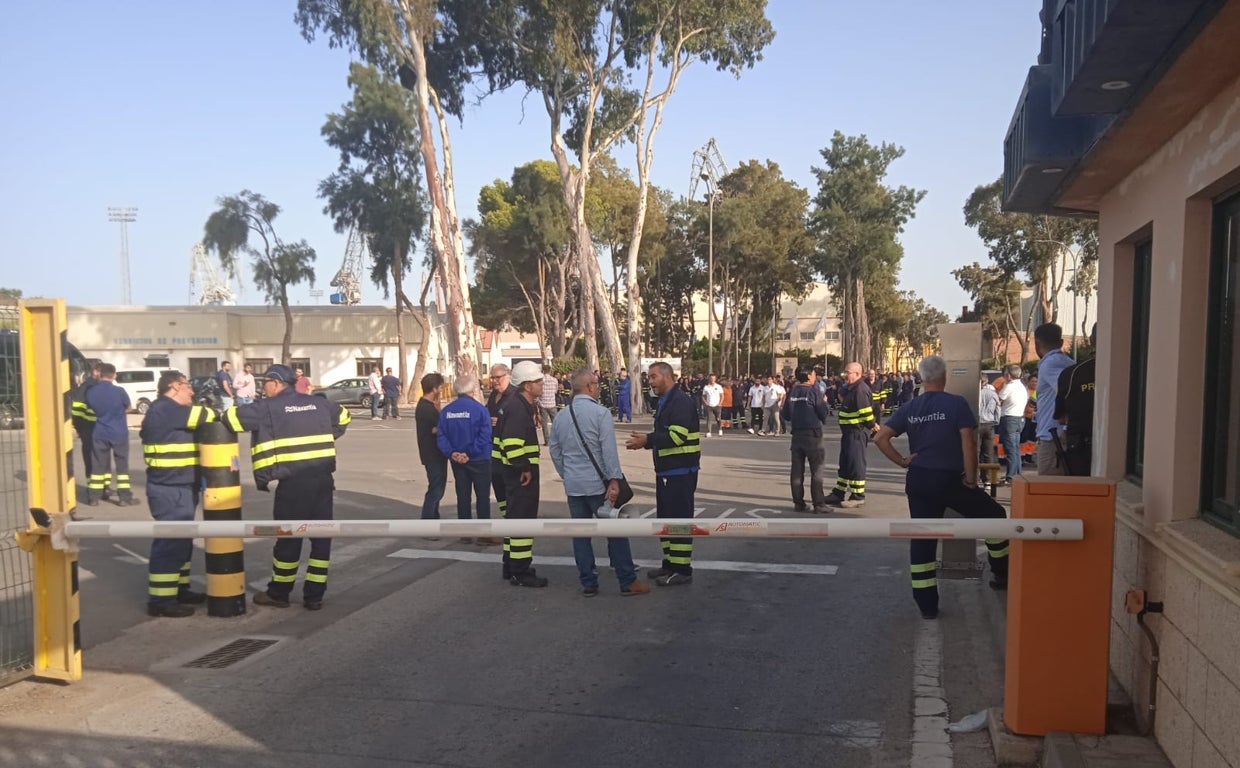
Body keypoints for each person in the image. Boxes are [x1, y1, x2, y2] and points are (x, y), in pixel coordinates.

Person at [873, 355, 1009, 620]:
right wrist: (971, 479)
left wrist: (902, 461)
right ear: (944, 377)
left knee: (923, 538)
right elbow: (968, 443)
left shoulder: (911, 407)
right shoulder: (956, 404)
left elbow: (880, 437)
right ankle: (1002, 572)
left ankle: (927, 606)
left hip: (920, 480)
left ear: (922, 379)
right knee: (995, 518)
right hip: (951, 480)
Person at [223, 364, 350, 610]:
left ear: (275, 382)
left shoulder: (267, 408)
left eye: (264, 383)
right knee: (321, 538)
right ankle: (314, 596)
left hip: (293, 484)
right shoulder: (319, 403)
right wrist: (326, 433)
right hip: (323, 480)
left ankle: (279, 593)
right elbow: (344, 416)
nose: (263, 388)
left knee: (289, 538)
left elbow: (230, 419)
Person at [550, 368, 651, 597]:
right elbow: (608, 452)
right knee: (615, 530)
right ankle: (627, 581)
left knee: (581, 534)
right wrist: (614, 479)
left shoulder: (562, 416)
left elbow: (555, 452)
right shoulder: (600, 413)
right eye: (595, 383)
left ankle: (588, 583)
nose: (597, 387)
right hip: (599, 485)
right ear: (591, 387)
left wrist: (567, 474)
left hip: (574, 486)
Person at [139, 370, 216, 618]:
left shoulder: (168, 410)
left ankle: (179, 589)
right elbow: (207, 415)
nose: (192, 392)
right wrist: (213, 409)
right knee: (170, 543)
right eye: (188, 386)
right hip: (170, 488)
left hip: (181, 485)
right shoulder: (166, 409)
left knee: (182, 541)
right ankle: (161, 601)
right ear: (174, 386)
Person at [626, 361, 700, 586]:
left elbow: (677, 437)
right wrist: (648, 440)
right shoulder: (667, 401)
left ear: (667, 377)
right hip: (668, 471)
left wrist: (647, 440)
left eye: (653, 376)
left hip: (680, 471)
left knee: (678, 520)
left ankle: (682, 569)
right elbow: (666, 434)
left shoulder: (680, 402)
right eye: (649, 377)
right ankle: (669, 564)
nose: (650, 381)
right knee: (666, 519)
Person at [496, 361, 548, 587]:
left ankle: (511, 565)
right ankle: (520, 570)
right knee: (522, 522)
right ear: (527, 386)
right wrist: (524, 468)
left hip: (509, 471)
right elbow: (512, 443)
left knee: (512, 521)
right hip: (518, 474)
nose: (542, 384)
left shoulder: (516, 404)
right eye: (538, 381)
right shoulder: (518, 408)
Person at [436, 375, 497, 544]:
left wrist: (453, 453)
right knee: (482, 497)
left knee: (463, 496)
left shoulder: (447, 411)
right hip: (479, 459)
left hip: (457, 461)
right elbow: (485, 436)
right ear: (472, 390)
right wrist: (469, 453)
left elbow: (441, 436)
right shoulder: (480, 410)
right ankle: (484, 534)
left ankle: (465, 533)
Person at [824, 362, 877, 508]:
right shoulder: (850, 388)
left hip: (857, 432)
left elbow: (866, 413)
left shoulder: (860, 389)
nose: (845, 375)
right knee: (845, 463)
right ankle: (838, 493)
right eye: (845, 372)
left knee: (856, 463)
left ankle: (858, 495)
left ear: (858, 374)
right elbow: (842, 397)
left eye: (848, 372)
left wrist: (873, 426)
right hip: (848, 432)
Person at [84, 363, 136, 506]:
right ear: (114, 376)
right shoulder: (119, 391)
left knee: (98, 464)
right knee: (122, 466)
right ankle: (124, 498)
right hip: (118, 432)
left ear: (100, 374)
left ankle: (94, 497)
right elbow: (129, 408)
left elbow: (90, 408)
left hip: (99, 432)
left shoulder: (91, 392)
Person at [782, 365, 830, 513]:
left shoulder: (793, 391)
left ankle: (798, 502)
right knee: (817, 470)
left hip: (797, 435)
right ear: (809, 375)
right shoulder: (815, 391)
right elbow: (823, 412)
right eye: (814, 373)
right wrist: (825, 402)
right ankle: (819, 504)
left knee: (797, 470)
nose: (815, 376)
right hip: (813, 435)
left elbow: (786, 414)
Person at [1055, 324, 1097, 476]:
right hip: (1118, 447)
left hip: (1079, 446)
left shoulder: (1072, 373)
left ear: (1091, 340)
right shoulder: (1133, 373)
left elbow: (1060, 417)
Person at [1033, 323, 1074, 476]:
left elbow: (1068, 395)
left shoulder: (1050, 364)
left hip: (1053, 438)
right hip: (1056, 436)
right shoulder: (1068, 362)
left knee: (1048, 489)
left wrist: (1065, 428)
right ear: (1061, 342)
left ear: (1036, 344)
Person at [487, 364, 518, 565]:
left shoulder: (514, 397)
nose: (495, 381)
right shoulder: (492, 397)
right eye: (493, 378)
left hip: (511, 462)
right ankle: (508, 554)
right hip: (494, 460)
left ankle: (514, 558)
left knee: (515, 510)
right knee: (504, 507)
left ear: (508, 376)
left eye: (498, 377)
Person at [415, 373, 447, 524]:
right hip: (432, 454)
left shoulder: (428, 406)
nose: (441, 390)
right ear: (434, 388)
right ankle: (428, 523)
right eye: (440, 387)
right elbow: (438, 428)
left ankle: (434, 519)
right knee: (436, 489)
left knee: (437, 488)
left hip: (435, 453)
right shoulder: (426, 409)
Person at [71, 363, 103, 501]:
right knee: (91, 459)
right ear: (95, 371)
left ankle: (101, 488)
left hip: (94, 428)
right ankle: (93, 490)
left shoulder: (96, 386)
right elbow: (77, 410)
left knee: (100, 459)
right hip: (89, 429)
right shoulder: (87, 387)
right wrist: (81, 429)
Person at [997, 363, 1027, 485]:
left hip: (1009, 419)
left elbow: (998, 399)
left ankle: (1010, 477)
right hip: (1019, 418)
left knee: (1010, 449)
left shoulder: (1009, 386)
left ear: (1009, 375)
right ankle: (1017, 474)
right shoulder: (1022, 386)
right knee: (1015, 448)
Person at [978, 373, 1001, 487]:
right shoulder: (993, 394)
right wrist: (996, 421)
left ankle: (974, 477)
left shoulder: (976, 394)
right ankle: (987, 480)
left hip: (977, 424)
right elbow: (998, 408)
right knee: (988, 453)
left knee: (975, 452)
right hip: (989, 425)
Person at [538, 364, 559, 446]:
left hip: (543, 404)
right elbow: (556, 391)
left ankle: (547, 440)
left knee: (544, 424)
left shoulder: (540, 380)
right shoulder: (554, 380)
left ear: (543, 370)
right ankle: (557, 440)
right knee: (556, 423)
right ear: (550, 371)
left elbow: (538, 392)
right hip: (552, 403)